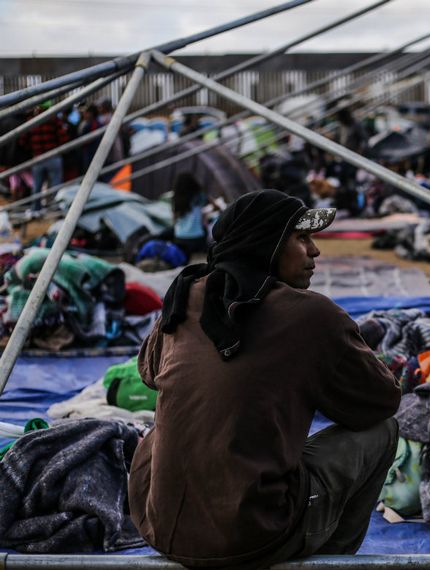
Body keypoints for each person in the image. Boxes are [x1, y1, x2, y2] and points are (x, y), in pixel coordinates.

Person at [128, 190, 401, 569]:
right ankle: (332, 558)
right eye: (301, 238)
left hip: (158, 524)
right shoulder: (313, 316)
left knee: (187, 420)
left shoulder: (185, 295)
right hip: (254, 535)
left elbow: (149, 371)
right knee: (383, 431)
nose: (315, 251)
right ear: (266, 243)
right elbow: (380, 402)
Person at [19, 104, 70, 210]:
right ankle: (55, 208)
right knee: (55, 185)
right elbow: (64, 138)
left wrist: (33, 148)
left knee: (37, 186)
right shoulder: (54, 120)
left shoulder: (32, 121)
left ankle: (35, 209)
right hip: (53, 156)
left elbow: (22, 141)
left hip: (38, 157)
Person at [170, 172, 209, 255]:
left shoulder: (175, 199)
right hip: (197, 239)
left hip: (180, 238)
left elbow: (173, 220)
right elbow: (205, 217)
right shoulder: (199, 196)